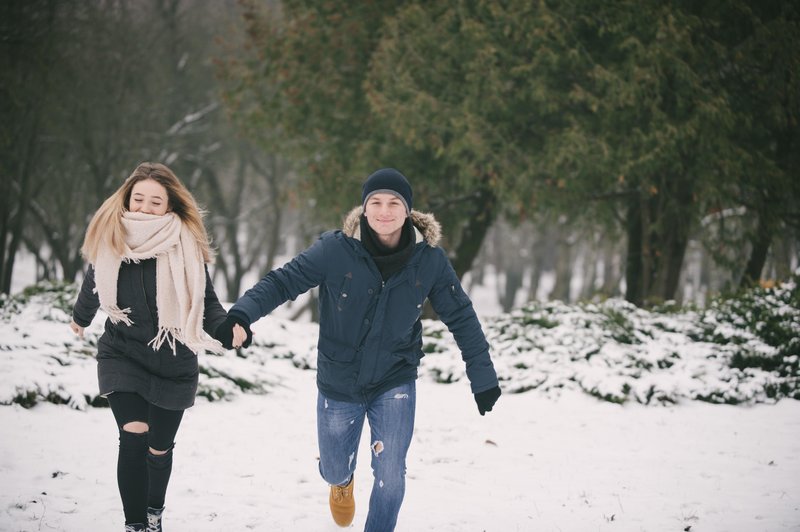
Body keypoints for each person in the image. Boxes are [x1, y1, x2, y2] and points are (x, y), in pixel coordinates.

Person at [217, 168, 502, 531]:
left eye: (394, 203)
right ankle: (341, 482)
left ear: (408, 210)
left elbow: (461, 316)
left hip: (394, 377)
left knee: (391, 473)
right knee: (335, 466)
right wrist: (241, 314)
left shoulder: (428, 260)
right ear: (364, 209)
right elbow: (284, 281)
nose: (385, 211)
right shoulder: (335, 250)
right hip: (339, 378)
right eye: (376, 202)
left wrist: (483, 377)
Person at [70, 162, 235, 532]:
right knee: (133, 435)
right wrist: (81, 317)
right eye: (138, 198)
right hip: (122, 352)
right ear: (127, 199)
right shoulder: (112, 238)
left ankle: (154, 512)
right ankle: (135, 526)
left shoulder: (185, 246)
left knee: (158, 449)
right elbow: (94, 283)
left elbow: (206, 302)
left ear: (170, 207)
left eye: (155, 202)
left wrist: (227, 329)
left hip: (173, 361)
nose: (144, 207)